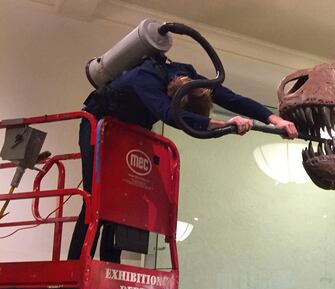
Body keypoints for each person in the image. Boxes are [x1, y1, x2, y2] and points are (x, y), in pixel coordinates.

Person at [67, 55, 297, 262]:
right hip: (98, 124)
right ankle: (75, 264)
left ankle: (110, 266)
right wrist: (223, 123)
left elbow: (233, 100)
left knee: (125, 201)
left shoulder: (192, 79)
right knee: (95, 197)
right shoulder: (145, 77)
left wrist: (276, 120)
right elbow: (170, 115)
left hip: (129, 131)